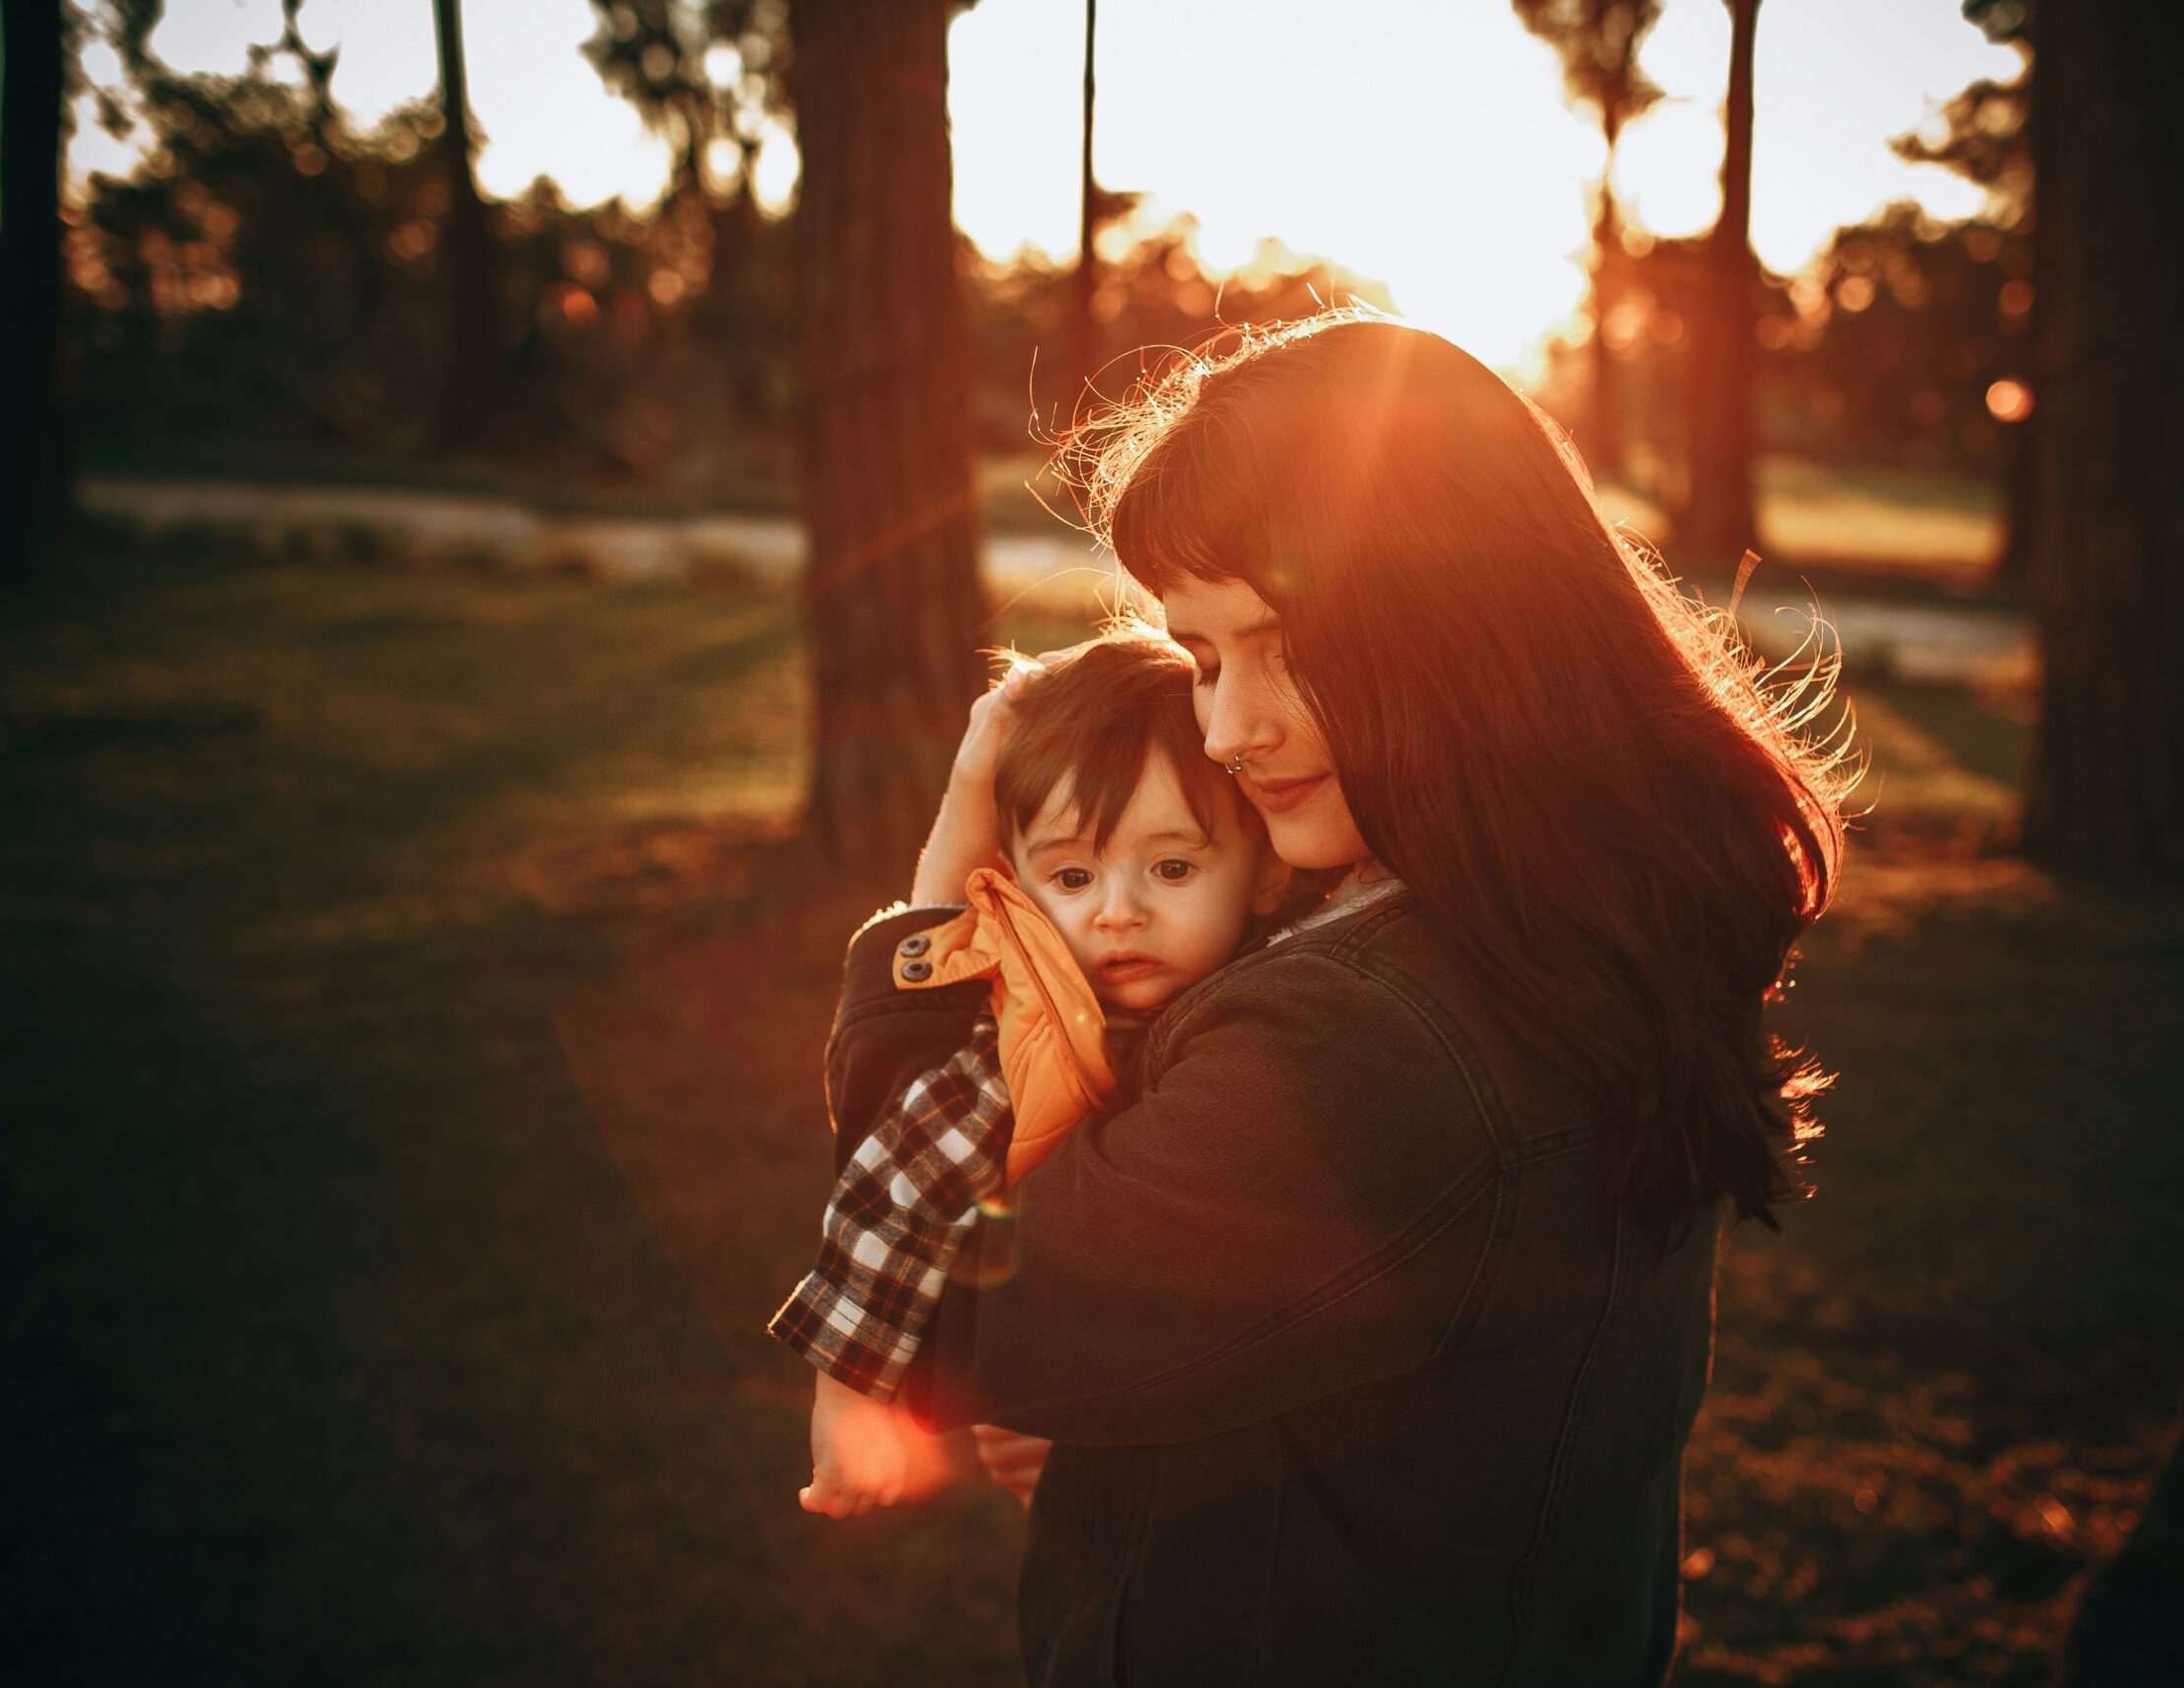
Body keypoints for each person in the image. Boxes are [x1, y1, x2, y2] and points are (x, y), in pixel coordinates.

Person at [784, 307, 1849, 1685]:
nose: (1230, 730)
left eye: (1284, 644)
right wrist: (1149, 1420)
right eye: (1207, 658)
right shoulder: (1592, 904)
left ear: (1457, 624)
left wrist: (948, 894)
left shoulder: (1369, 1033)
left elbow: (928, 1303)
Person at [770, 632, 1298, 1515]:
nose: (1117, 911)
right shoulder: (1023, 1036)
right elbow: (896, 1190)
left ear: (1269, 872)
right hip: (1088, 1409)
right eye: (1072, 873)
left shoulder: (1294, 994)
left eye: (1171, 867)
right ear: (1014, 876)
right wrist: (851, 1395)